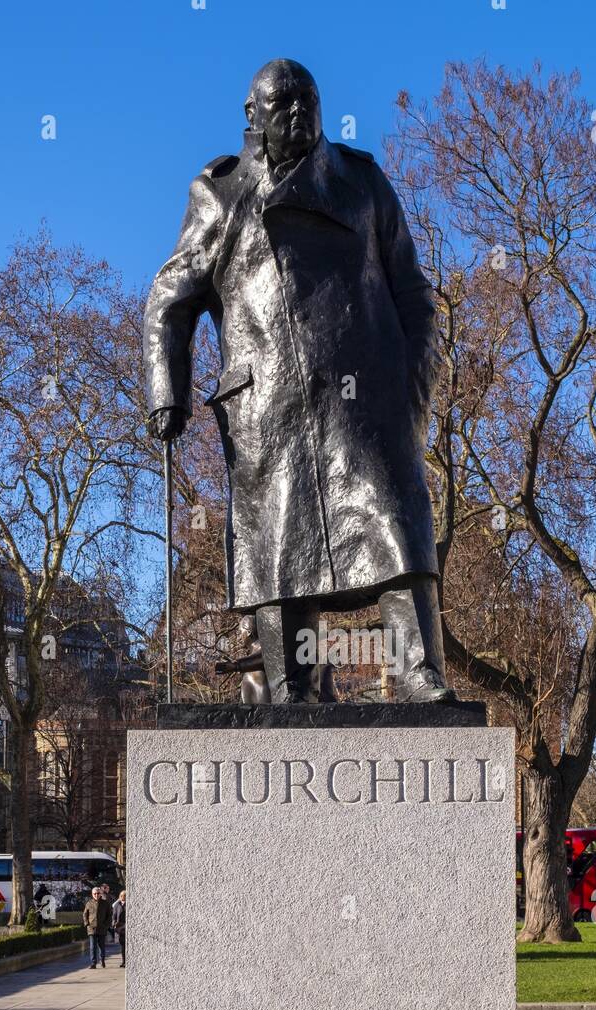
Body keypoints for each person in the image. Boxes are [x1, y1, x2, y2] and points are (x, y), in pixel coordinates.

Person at [144, 59, 453, 704]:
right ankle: (292, 692)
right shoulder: (221, 194)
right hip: (270, 406)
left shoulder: (362, 183)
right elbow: (170, 298)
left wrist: (412, 380)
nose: (297, 112)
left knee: (398, 528)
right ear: (251, 116)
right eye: (281, 102)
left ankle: (422, 676)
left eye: (307, 99)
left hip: (368, 400)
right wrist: (166, 392)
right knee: (281, 550)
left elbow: (414, 293)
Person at [83, 887, 111, 969]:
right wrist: (86, 923)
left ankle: (102, 960)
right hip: (92, 928)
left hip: (102, 927)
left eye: (98, 893)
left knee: (101, 946)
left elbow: (109, 915)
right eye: (94, 893)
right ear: (92, 894)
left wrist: (106, 925)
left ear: (100, 894)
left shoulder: (105, 903)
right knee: (92, 947)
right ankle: (93, 963)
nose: (96, 895)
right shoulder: (89, 903)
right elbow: (85, 914)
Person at [113, 890, 126, 968]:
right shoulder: (117, 905)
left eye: (124, 895)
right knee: (123, 945)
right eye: (121, 895)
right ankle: (124, 961)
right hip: (120, 928)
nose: (122, 897)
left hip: (127, 926)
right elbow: (114, 915)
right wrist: (114, 923)